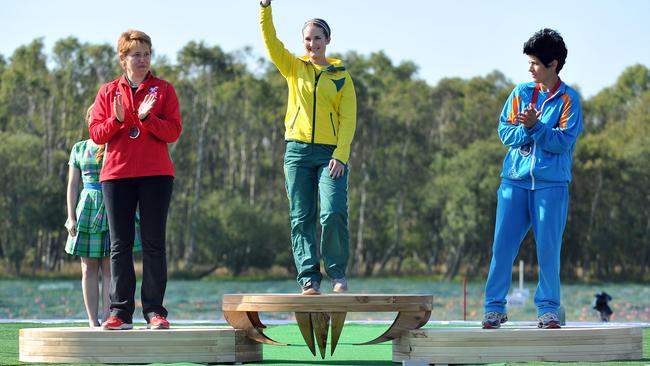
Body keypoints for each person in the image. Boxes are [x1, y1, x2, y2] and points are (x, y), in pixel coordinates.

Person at [482, 28, 583, 329]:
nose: (530, 68)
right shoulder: (520, 93)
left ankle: (549, 310)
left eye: (536, 63)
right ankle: (493, 308)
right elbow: (505, 132)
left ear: (553, 64)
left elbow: (563, 142)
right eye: (529, 62)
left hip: (551, 186)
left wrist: (537, 127)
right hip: (514, 181)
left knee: (548, 250)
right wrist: (529, 128)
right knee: (502, 247)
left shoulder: (569, 99)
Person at [259, 0, 357, 295]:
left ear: (327, 40)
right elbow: (270, 41)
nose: (312, 43)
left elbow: (348, 119)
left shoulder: (341, 77)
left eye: (317, 37)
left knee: (333, 212)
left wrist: (340, 155)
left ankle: (337, 273)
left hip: (330, 155)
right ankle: (308, 278)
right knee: (301, 217)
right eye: (307, 39)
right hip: (297, 152)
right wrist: (265, 8)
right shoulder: (294, 68)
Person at [89, 30, 182, 330]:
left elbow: (173, 132)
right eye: (135, 54)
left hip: (156, 175)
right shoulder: (108, 92)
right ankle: (120, 313)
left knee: (154, 244)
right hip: (116, 175)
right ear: (123, 58)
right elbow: (96, 134)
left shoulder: (163, 90)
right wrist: (116, 120)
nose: (142, 60)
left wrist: (147, 119)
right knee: (120, 246)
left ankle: (155, 311)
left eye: (146, 54)